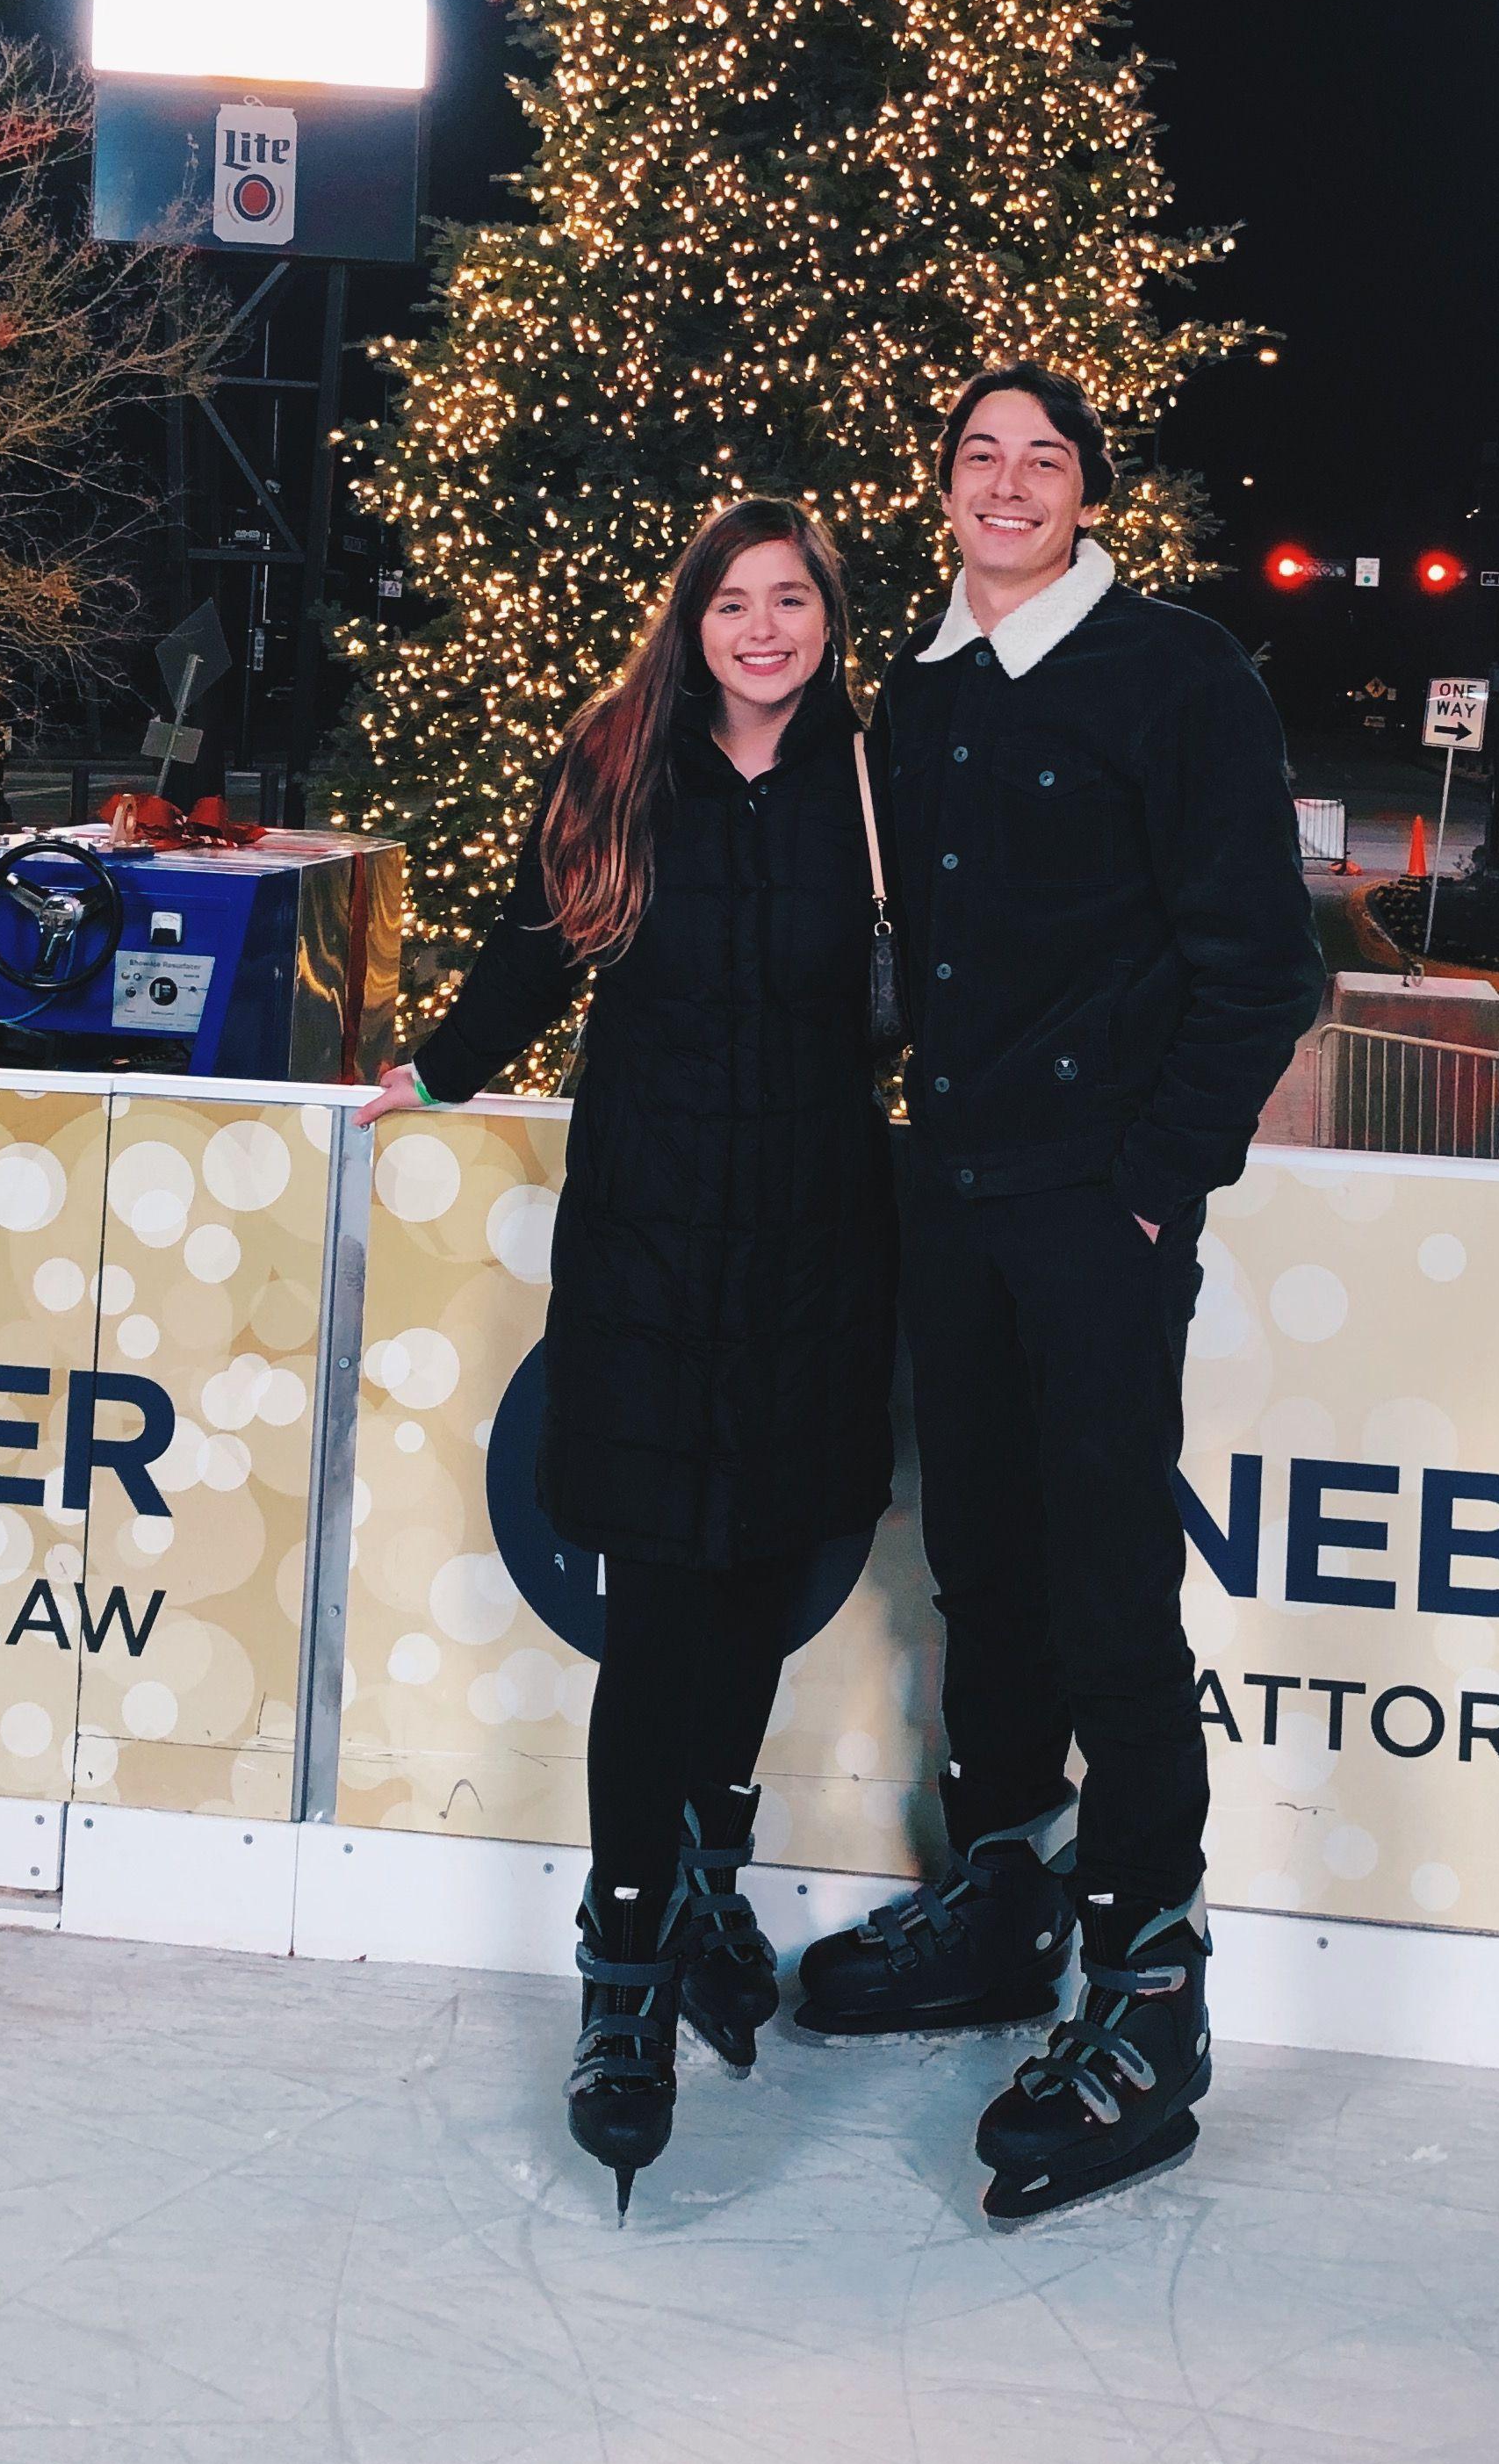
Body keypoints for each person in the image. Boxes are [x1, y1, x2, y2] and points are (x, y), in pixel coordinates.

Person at [791, 362, 1322, 2223]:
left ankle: (1150, 1988)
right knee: (984, 1569)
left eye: (1046, 460)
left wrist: (1157, 1187)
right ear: (941, 490)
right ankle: (1005, 1899)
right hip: (950, 1193)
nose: (1009, 484)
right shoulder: (918, 693)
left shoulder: (1177, 677)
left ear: (1089, 494)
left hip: (1094, 1211)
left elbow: (1264, 966)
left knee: (1104, 1588)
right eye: (978, 458)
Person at [356, 498, 898, 2217]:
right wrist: (434, 1074)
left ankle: (702, 1872)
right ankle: (624, 1974)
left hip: (815, 1248)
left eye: (789, 601)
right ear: (693, 619)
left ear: (827, 621)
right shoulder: (617, 767)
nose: (762, 629)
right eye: (734, 602)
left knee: (752, 1588)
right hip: (652, 1247)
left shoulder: (882, 787)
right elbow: (533, 950)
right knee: (663, 1598)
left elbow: (963, 991)